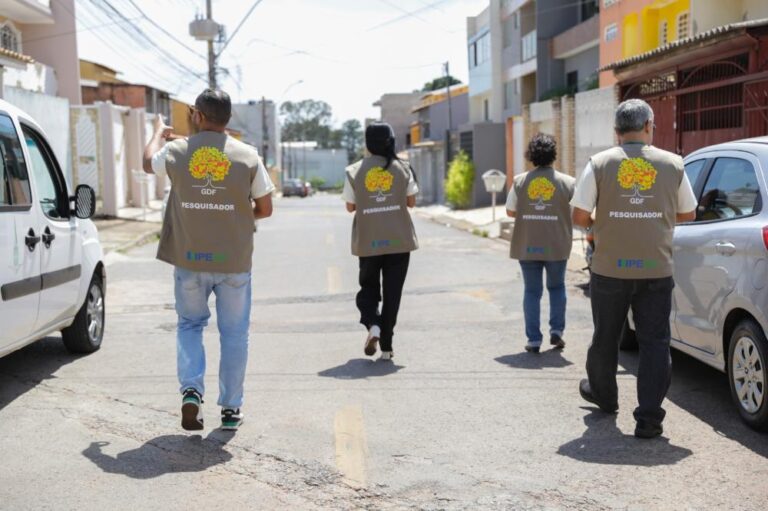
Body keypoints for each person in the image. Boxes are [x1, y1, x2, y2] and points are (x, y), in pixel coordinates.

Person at [142, 88, 275, 431]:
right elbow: (264, 208)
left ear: (198, 115)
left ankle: (191, 392)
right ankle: (230, 409)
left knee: (190, 325)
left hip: (189, 260)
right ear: (227, 119)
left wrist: (158, 130)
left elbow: (147, 162)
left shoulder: (176, 150)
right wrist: (229, 212)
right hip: (234, 263)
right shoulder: (247, 156)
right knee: (234, 335)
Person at [571, 98, 697, 439]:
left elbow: (579, 216)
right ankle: (649, 419)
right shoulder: (673, 164)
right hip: (656, 269)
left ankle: (604, 397)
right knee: (655, 342)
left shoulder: (599, 163)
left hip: (610, 269)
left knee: (605, 337)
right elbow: (689, 213)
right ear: (649, 126)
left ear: (616, 132)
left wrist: (606, 223)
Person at [342, 122, 419, 360]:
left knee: (369, 290)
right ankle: (387, 347)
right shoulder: (403, 168)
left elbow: (350, 207)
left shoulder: (354, 170)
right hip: (399, 241)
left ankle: (373, 324)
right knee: (393, 294)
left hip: (369, 241)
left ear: (367, 143)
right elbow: (411, 203)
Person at [506, 133, 575, 353]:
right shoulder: (568, 182)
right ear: (554, 155)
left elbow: (510, 210)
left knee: (532, 291)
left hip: (528, 245)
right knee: (557, 287)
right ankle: (557, 331)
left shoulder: (520, 181)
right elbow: (577, 211)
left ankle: (533, 340)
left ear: (531, 155)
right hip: (557, 245)